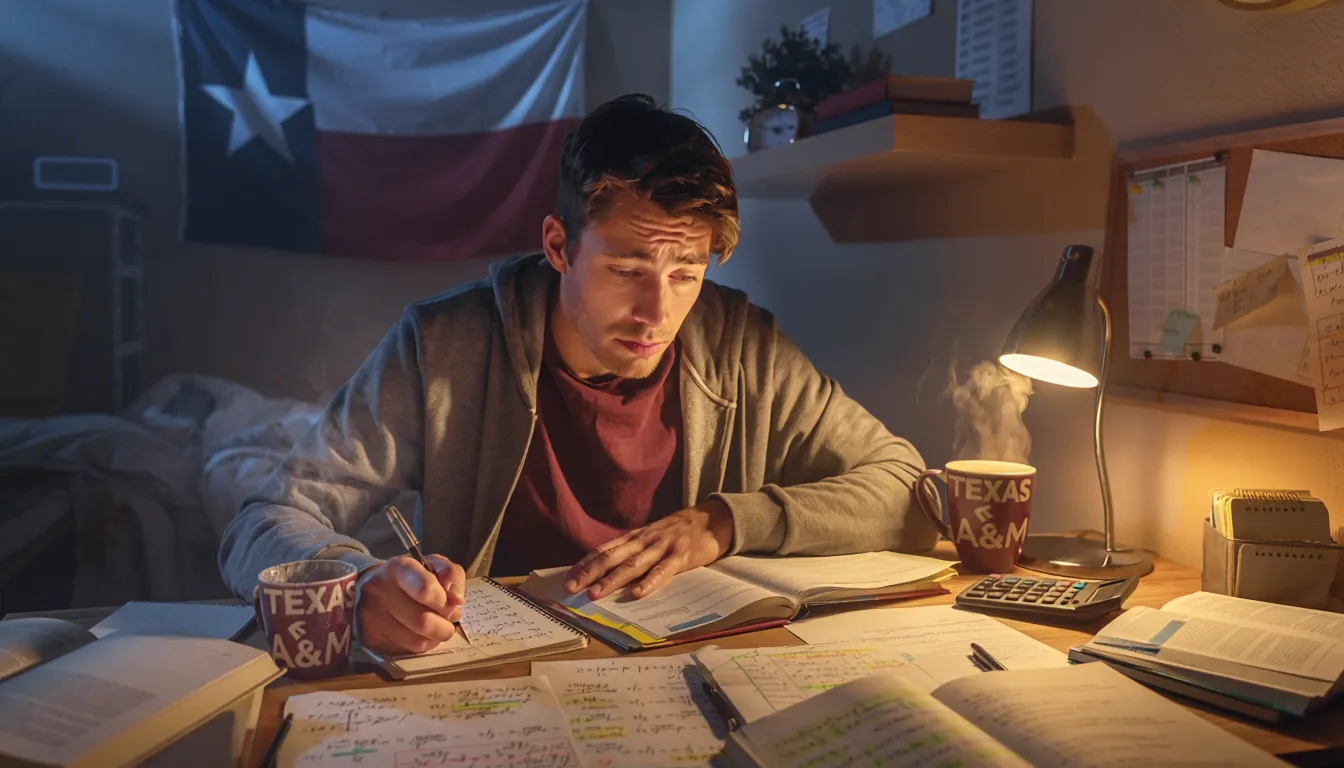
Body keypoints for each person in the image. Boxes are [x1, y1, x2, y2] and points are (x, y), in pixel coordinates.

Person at [218, 94, 935, 656]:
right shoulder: (443, 345)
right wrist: (358, 583)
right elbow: (263, 520)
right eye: (626, 269)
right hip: (497, 673)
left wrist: (722, 523)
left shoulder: (743, 344)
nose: (659, 310)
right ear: (558, 245)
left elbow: (905, 486)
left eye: (686, 272)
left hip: (693, 665)